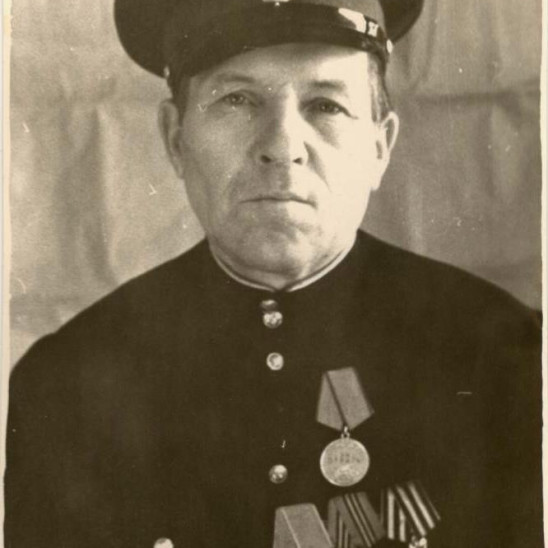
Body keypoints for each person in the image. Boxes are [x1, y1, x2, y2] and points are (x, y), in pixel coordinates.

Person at [5, 0, 542, 547]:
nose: (282, 147)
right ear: (176, 138)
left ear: (380, 147)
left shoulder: (508, 357)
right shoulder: (64, 384)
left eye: (326, 105)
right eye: (237, 100)